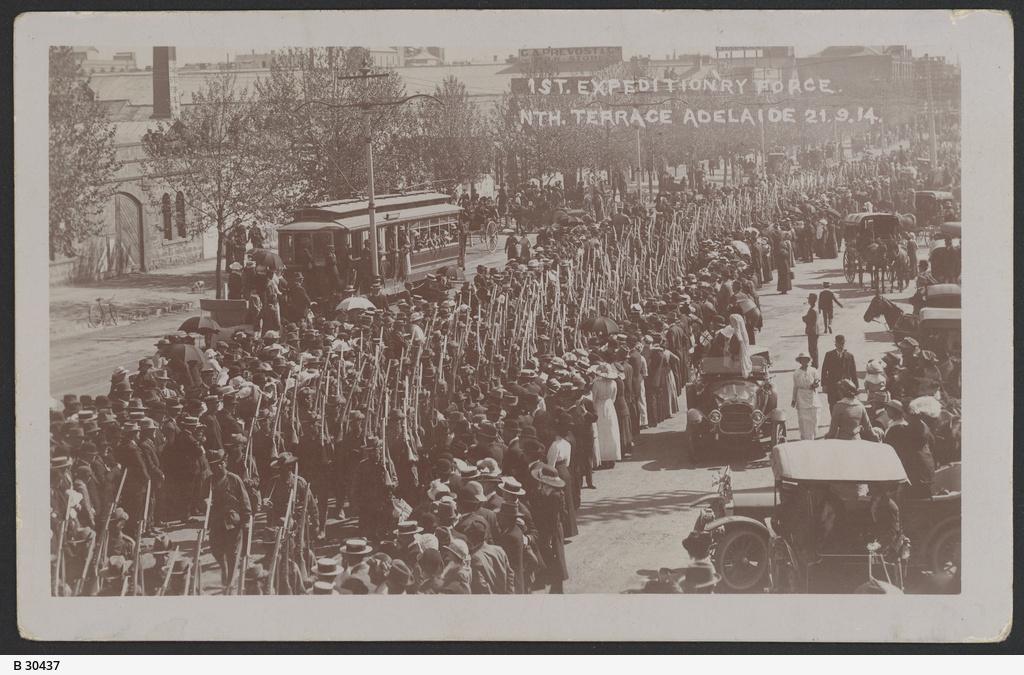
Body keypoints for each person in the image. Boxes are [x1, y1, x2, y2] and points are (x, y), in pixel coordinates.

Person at [206, 448, 252, 588]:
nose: (217, 467)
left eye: (220, 463)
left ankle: (230, 580)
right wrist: (204, 502)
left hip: (232, 522)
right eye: (214, 465)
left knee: (232, 553)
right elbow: (200, 499)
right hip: (216, 522)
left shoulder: (234, 479)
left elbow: (245, 501)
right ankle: (223, 567)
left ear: (225, 462)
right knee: (216, 549)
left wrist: (246, 520)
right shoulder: (209, 481)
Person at [882, 401, 935, 497]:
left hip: (915, 475)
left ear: (905, 414)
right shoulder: (924, 426)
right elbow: (933, 443)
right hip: (927, 472)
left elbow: (897, 453)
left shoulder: (902, 429)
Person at [820, 335, 858, 409]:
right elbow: (824, 370)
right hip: (832, 386)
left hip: (846, 387)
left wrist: (856, 386)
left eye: (843, 343)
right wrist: (824, 384)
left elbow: (853, 372)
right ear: (835, 344)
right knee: (833, 406)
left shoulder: (849, 356)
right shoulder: (829, 355)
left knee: (846, 406)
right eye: (839, 343)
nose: (841, 345)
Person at [791, 352, 821, 441]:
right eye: (803, 360)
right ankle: (805, 440)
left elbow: (818, 382)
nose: (805, 361)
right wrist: (794, 399)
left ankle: (813, 437)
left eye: (807, 359)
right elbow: (795, 386)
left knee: (815, 418)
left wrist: (815, 385)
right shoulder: (796, 373)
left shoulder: (814, 370)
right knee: (803, 420)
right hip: (801, 397)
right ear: (800, 361)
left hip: (812, 396)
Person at [802, 293, 822, 368]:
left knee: (812, 348)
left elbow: (809, 320)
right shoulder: (814, 308)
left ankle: (815, 363)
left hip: (812, 331)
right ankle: (815, 362)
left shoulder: (812, 310)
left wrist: (804, 318)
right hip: (814, 330)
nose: (808, 301)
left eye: (809, 299)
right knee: (813, 348)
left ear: (812, 300)